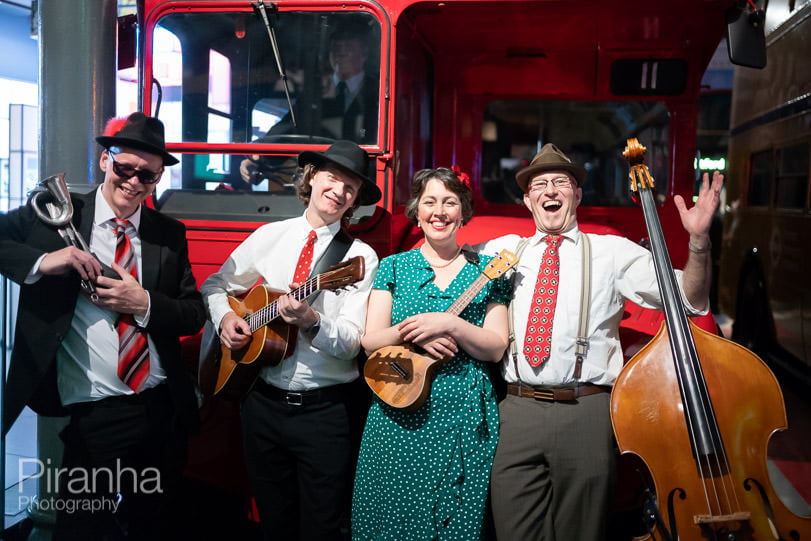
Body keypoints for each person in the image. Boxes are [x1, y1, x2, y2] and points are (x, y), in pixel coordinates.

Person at [480, 143, 723, 541]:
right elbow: (446, 274)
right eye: (539, 184)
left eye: (562, 181)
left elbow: (689, 300)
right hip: (515, 411)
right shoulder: (502, 250)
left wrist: (698, 241)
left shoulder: (610, 251)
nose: (550, 190)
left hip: (586, 410)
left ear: (577, 194)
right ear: (527, 199)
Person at [0, 112, 206, 540]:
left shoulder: (169, 233)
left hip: (162, 406)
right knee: (81, 528)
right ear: (104, 161)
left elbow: (192, 312)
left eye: (147, 176)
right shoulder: (57, 216)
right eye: (124, 167)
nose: (133, 182)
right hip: (95, 415)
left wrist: (144, 302)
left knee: (155, 524)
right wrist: (43, 262)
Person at [201, 140, 381, 540]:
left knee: (323, 525)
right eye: (333, 178)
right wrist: (228, 316)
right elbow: (215, 284)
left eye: (350, 188)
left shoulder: (360, 258)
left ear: (354, 201)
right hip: (260, 403)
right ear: (312, 177)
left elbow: (353, 342)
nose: (339, 191)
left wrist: (312, 321)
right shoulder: (270, 235)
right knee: (272, 521)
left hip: (324, 414)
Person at [352, 167, 511, 540]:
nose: (439, 212)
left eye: (450, 202)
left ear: (463, 212)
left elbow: (496, 346)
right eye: (430, 202)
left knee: (455, 521)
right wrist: (418, 330)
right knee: (391, 520)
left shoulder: (488, 271)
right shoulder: (393, 266)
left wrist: (452, 325)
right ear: (417, 211)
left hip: (463, 416)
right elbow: (371, 340)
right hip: (398, 410)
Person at [240, 27, 379, 185]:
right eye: (336, 48)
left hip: (363, 179)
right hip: (321, 177)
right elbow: (289, 126)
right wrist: (258, 156)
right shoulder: (315, 91)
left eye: (348, 48)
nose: (340, 53)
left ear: (364, 54)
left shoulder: (378, 91)